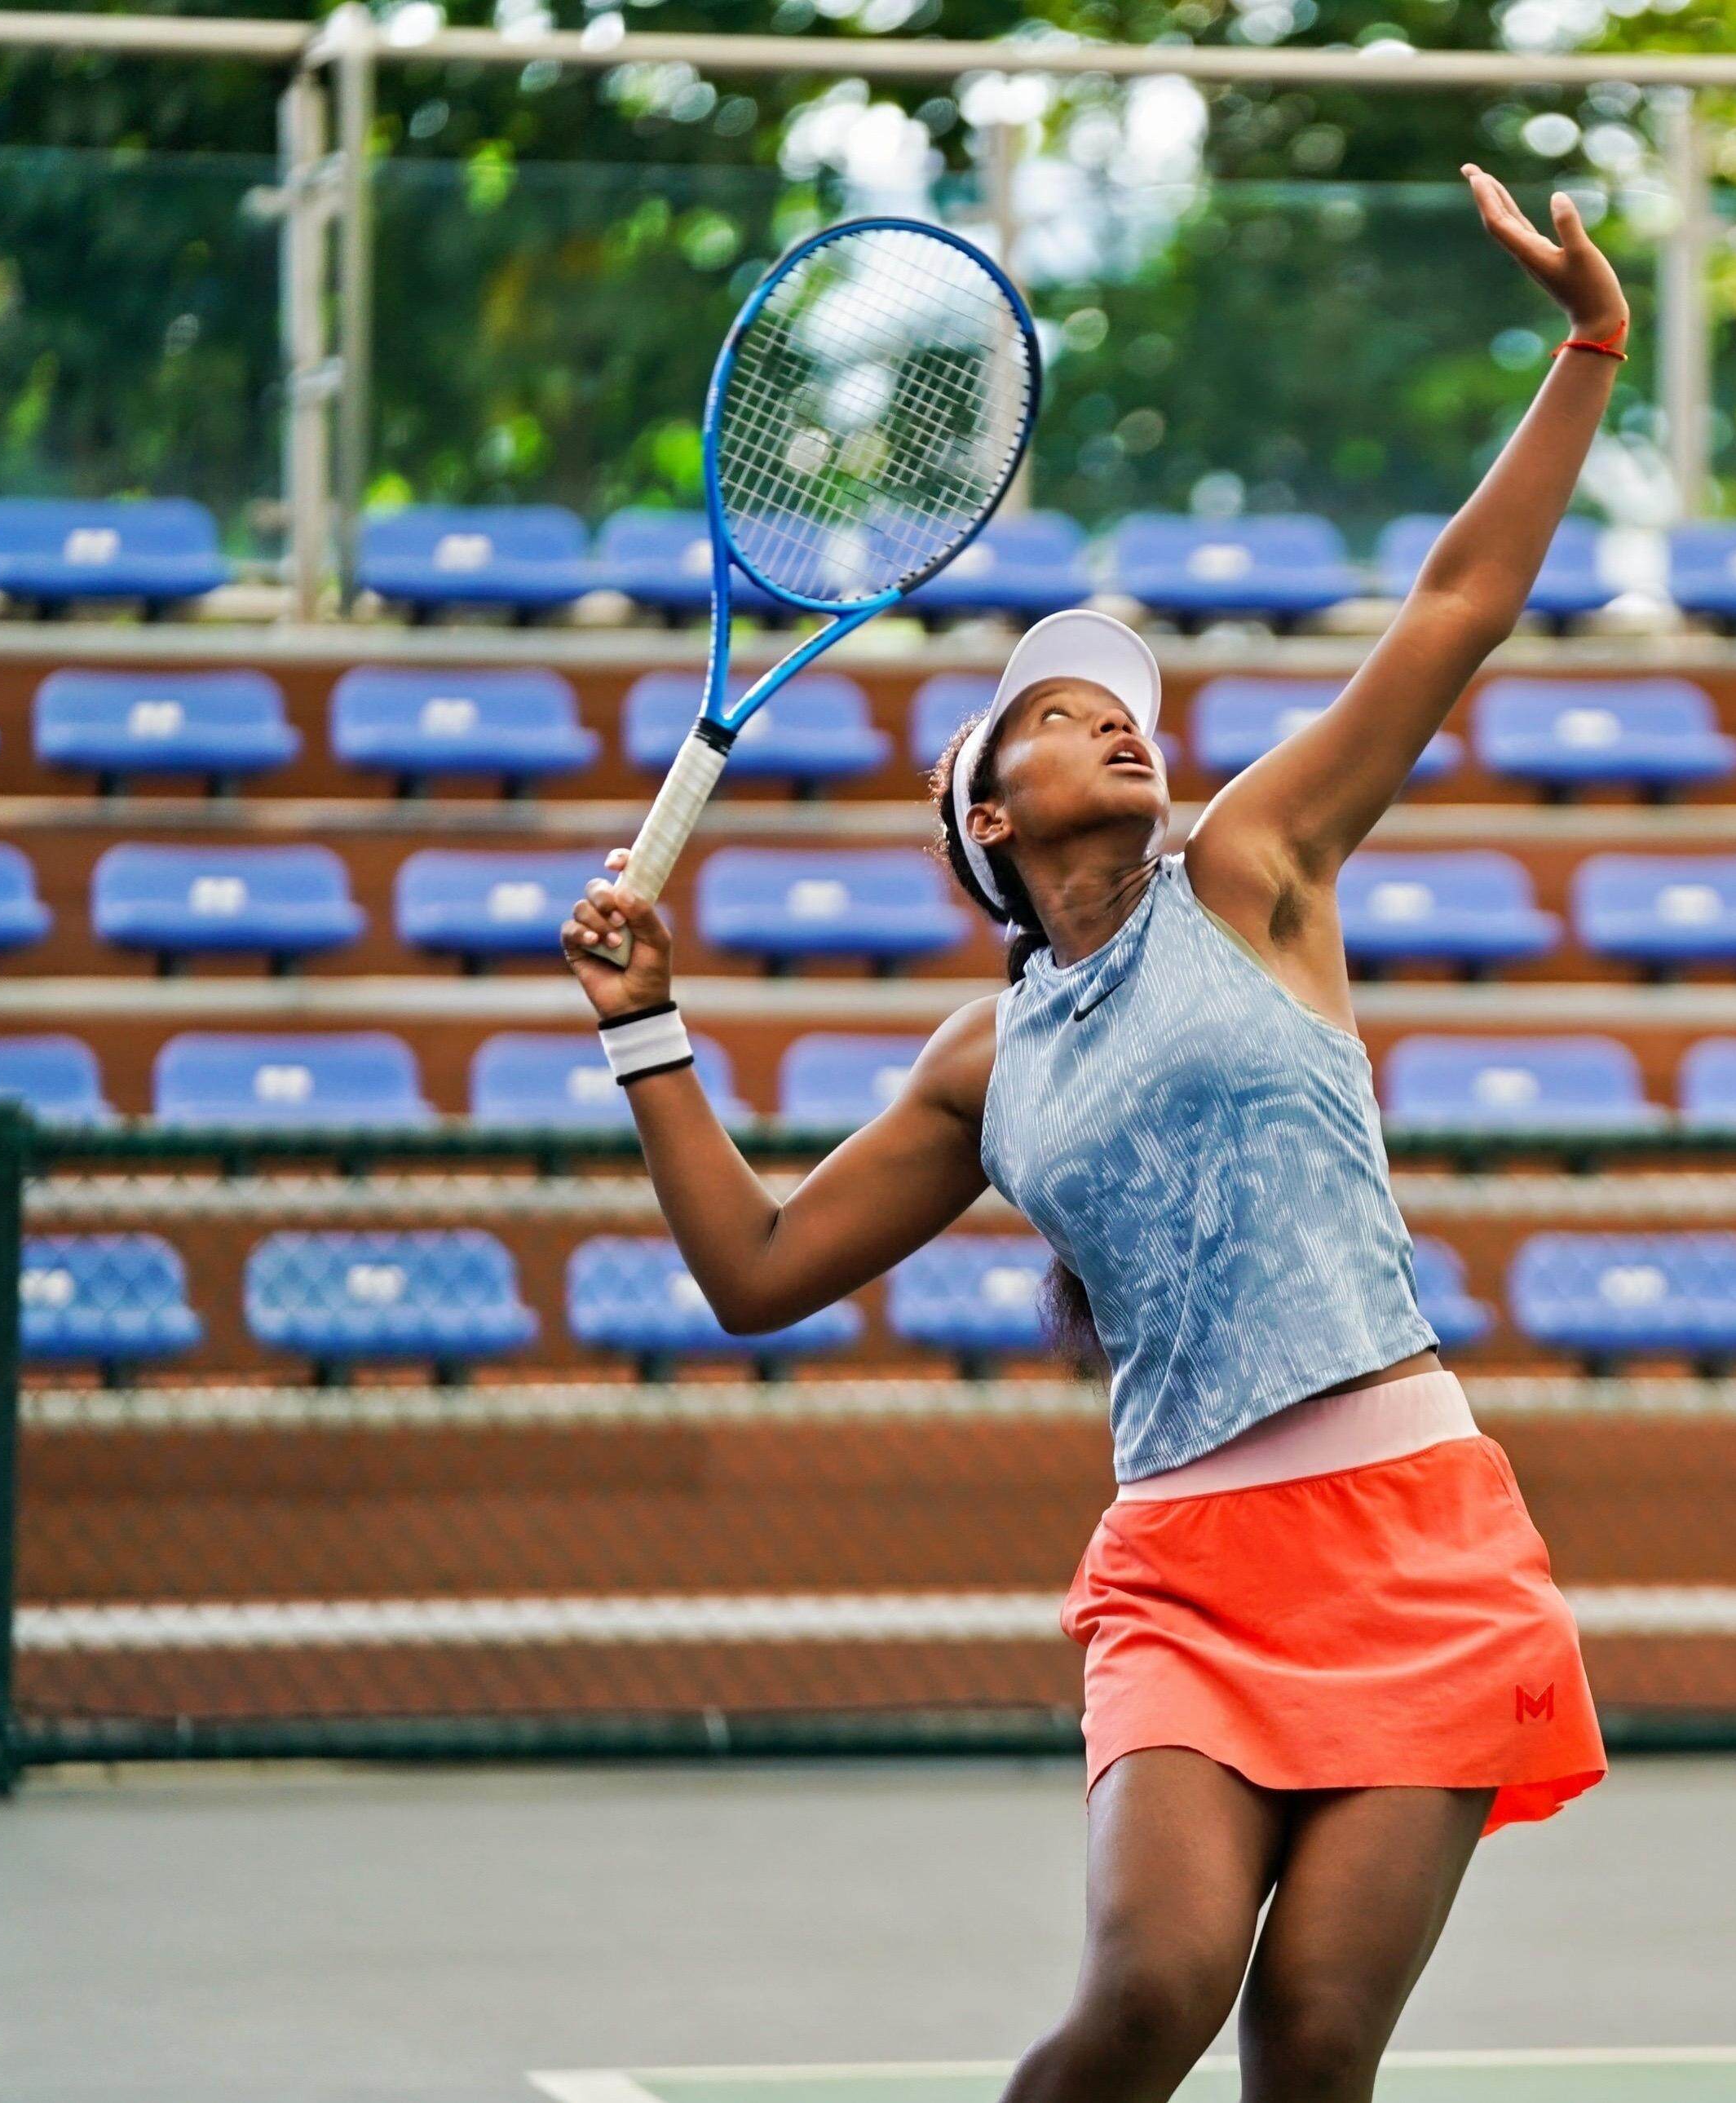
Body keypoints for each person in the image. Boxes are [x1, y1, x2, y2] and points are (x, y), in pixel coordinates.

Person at [559, 166, 1624, 2103]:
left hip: (1422, 1539)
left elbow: (1454, 606)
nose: (1121, 726)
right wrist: (650, 1034)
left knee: (1309, 2041)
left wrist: (1583, 353)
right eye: (1063, 714)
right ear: (990, 819)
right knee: (1151, 1994)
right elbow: (756, 1273)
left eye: (1127, 707)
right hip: (1190, 1569)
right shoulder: (988, 1059)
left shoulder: (1253, 872)